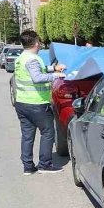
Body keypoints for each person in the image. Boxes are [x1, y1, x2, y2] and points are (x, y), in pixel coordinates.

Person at [13, 30, 66, 175]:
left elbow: (36, 70)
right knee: (48, 132)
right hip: (36, 104)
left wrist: (53, 67)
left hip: (22, 103)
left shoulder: (21, 58)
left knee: (27, 135)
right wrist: (56, 75)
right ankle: (45, 164)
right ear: (36, 43)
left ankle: (28, 166)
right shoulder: (33, 59)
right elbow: (37, 77)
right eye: (39, 42)